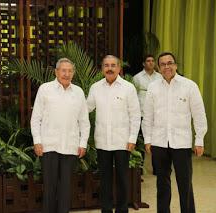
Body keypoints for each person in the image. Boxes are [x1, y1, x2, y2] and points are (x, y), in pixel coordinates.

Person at [142, 52, 207, 213]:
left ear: (176, 65)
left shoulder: (189, 86)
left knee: (185, 183)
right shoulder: (153, 88)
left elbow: (199, 115)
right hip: (159, 142)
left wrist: (199, 140)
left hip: (182, 142)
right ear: (159, 67)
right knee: (162, 185)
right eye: (163, 64)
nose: (166, 67)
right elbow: (148, 116)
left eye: (170, 63)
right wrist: (148, 140)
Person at [30, 58, 90, 213]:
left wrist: (83, 143)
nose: (67, 74)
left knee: (66, 189)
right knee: (49, 188)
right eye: (63, 70)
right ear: (56, 72)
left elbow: (84, 121)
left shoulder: (78, 92)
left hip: (70, 147)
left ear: (73, 73)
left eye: (70, 71)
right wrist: (37, 141)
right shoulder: (45, 89)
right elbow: (36, 118)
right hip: (49, 146)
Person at [87, 55, 141, 213]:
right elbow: (86, 108)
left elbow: (135, 115)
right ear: (102, 68)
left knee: (123, 179)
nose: (109, 68)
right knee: (105, 179)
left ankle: (122, 209)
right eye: (106, 65)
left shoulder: (128, 88)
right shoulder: (95, 87)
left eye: (113, 65)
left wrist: (132, 138)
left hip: (122, 142)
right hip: (102, 141)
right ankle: (106, 209)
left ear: (119, 68)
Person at [133, 54, 162, 175]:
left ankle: (157, 168)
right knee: (141, 142)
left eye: (152, 61)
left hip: (157, 114)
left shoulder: (160, 77)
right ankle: (139, 168)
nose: (150, 63)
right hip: (141, 113)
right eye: (148, 61)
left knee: (156, 142)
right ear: (144, 64)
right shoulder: (137, 78)